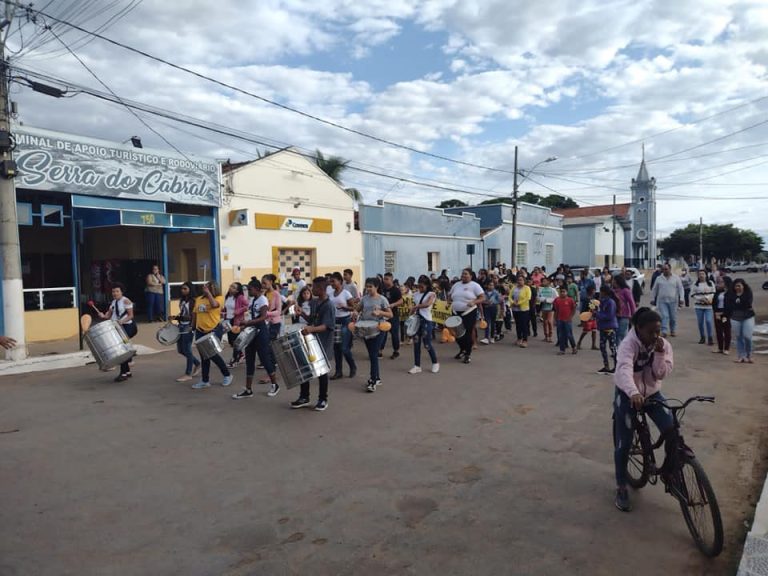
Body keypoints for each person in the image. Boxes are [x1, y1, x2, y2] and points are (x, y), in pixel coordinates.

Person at [613, 307, 676, 512]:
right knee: (624, 443)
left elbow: (660, 374)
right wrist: (632, 393)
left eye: (658, 331)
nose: (655, 335)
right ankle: (622, 486)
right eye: (651, 332)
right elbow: (623, 369)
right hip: (628, 393)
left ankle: (669, 471)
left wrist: (659, 353)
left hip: (651, 393)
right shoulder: (628, 344)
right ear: (638, 329)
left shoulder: (663, 345)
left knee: (672, 430)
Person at [291, 277, 335, 410]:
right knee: (305, 367)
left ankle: (323, 399)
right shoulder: (315, 302)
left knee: (321, 372)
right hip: (311, 341)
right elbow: (312, 319)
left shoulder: (329, 305)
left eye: (314, 288)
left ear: (321, 289)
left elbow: (327, 326)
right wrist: (302, 314)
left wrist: (311, 329)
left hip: (323, 342)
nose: (312, 290)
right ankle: (304, 397)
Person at [232, 278, 280, 399]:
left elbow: (264, 317)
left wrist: (248, 322)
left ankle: (275, 384)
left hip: (261, 332)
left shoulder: (262, 299)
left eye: (250, 289)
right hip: (253, 332)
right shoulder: (254, 300)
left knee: (265, 359)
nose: (249, 291)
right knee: (250, 360)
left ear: (257, 289)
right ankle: (248, 390)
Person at [191, 281, 233, 389]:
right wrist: (192, 327)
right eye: (205, 288)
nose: (205, 289)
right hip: (200, 330)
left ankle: (227, 374)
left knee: (212, 354)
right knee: (204, 356)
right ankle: (205, 380)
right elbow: (195, 313)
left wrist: (208, 294)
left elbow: (214, 305)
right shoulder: (199, 299)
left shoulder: (219, 298)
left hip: (213, 329)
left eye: (208, 288)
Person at [355, 277, 393, 392]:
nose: (368, 289)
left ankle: (372, 380)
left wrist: (380, 312)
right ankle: (377, 377)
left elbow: (390, 315)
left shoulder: (382, 299)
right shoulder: (364, 299)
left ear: (376, 287)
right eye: (367, 286)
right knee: (372, 354)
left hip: (378, 329)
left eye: (370, 286)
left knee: (373, 354)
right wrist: (355, 312)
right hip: (366, 329)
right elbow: (358, 309)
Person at [98, 283, 138, 382]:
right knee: (123, 348)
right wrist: (103, 316)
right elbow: (108, 316)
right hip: (118, 327)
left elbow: (131, 315)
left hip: (128, 327)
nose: (115, 293)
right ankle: (128, 371)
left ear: (121, 292)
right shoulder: (113, 302)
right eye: (113, 291)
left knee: (121, 350)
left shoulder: (126, 301)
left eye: (117, 291)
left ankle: (123, 373)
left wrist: (122, 321)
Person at [448, 268, 485, 364]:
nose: (463, 276)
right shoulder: (456, 285)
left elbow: (482, 297)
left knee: (467, 333)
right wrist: (449, 301)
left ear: (471, 276)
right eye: (462, 274)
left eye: (466, 274)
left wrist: (474, 302)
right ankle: (462, 349)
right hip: (456, 312)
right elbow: (450, 295)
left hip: (469, 312)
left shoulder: (475, 285)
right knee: (457, 334)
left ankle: (468, 354)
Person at [408, 275, 440, 374]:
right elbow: (412, 306)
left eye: (422, 286)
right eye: (419, 286)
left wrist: (416, 307)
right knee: (416, 343)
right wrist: (411, 313)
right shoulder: (416, 294)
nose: (420, 288)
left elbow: (428, 304)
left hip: (426, 320)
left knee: (427, 343)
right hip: (417, 320)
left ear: (427, 285)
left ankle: (435, 363)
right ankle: (417, 366)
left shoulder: (431, 294)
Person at [328, 272, 357, 380]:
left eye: (333, 281)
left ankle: (352, 366)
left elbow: (354, 307)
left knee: (344, 348)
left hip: (346, 321)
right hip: (335, 321)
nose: (331, 283)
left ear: (340, 281)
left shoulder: (346, 293)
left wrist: (345, 307)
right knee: (336, 348)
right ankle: (338, 371)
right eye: (330, 281)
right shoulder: (330, 294)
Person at [174, 281, 200, 382]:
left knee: (187, 349)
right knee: (181, 350)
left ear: (190, 290)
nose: (183, 290)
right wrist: (177, 317)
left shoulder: (193, 301)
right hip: (181, 326)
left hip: (188, 327)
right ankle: (197, 363)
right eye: (182, 289)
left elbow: (193, 316)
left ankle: (188, 373)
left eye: (185, 289)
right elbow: (183, 313)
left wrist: (191, 325)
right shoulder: (183, 300)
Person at [650, 264, 684, 337]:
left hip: (673, 301)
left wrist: (681, 299)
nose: (665, 271)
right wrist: (652, 299)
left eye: (666, 269)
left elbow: (681, 289)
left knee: (673, 317)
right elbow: (654, 289)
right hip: (662, 301)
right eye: (663, 269)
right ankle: (664, 331)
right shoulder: (659, 278)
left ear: (670, 269)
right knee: (664, 316)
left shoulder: (676, 278)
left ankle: (673, 330)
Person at [224, 282, 249, 367]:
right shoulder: (227, 296)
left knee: (235, 341)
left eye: (234, 287)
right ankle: (241, 355)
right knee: (231, 341)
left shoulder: (240, 297)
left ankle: (235, 360)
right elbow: (226, 308)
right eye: (231, 286)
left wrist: (238, 311)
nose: (231, 288)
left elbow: (247, 306)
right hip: (228, 321)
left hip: (236, 321)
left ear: (238, 290)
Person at [262, 274, 283, 377]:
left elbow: (279, 312)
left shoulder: (276, 294)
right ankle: (271, 371)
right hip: (266, 323)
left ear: (270, 282)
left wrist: (267, 314)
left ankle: (272, 372)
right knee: (268, 347)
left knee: (269, 347)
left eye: (264, 283)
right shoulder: (265, 294)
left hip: (274, 323)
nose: (263, 285)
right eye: (262, 283)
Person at [730, 278, 755, 364]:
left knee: (747, 336)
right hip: (735, 317)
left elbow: (748, 304)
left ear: (743, 286)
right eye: (736, 286)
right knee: (739, 337)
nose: (737, 287)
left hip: (747, 316)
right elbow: (730, 305)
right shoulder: (731, 294)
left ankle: (749, 355)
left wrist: (738, 302)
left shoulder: (748, 293)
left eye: (739, 286)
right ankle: (741, 356)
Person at [596, 285, 620, 375]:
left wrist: (597, 314)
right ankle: (606, 366)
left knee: (613, 348)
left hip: (610, 327)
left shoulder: (611, 302)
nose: (600, 294)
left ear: (604, 292)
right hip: (603, 327)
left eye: (601, 292)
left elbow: (609, 316)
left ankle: (616, 367)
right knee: (602, 347)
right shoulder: (602, 302)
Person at [379, 273, 403, 360]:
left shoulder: (396, 290)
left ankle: (396, 351)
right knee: (382, 333)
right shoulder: (382, 289)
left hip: (393, 316)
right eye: (384, 279)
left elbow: (401, 301)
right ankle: (380, 351)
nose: (385, 281)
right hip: (383, 315)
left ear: (391, 279)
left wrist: (393, 304)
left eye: (387, 279)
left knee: (394, 334)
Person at [690, 270, 716, 346]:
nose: (701, 275)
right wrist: (700, 299)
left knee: (708, 321)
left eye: (703, 274)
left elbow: (714, 293)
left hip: (708, 306)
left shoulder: (710, 283)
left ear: (706, 275)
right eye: (700, 274)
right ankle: (702, 337)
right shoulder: (695, 284)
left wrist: (708, 298)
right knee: (700, 322)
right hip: (698, 306)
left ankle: (710, 337)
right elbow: (692, 294)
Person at [612, 275, 636, 344]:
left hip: (624, 315)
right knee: (615, 334)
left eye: (614, 281)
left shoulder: (625, 291)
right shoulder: (613, 291)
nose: (613, 283)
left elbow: (631, 303)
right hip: (615, 315)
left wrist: (633, 315)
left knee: (621, 334)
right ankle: (617, 351)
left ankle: (624, 350)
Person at [712, 276, 733, 355]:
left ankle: (726, 348)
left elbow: (730, 305)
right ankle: (720, 348)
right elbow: (714, 302)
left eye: (721, 282)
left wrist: (724, 313)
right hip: (717, 312)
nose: (719, 284)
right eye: (719, 282)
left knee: (726, 330)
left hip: (725, 314)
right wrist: (715, 312)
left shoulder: (730, 293)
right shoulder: (718, 292)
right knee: (718, 330)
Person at [553, 286, 577, 355]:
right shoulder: (557, 300)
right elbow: (556, 310)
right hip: (560, 319)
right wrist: (555, 319)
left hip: (567, 320)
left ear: (566, 292)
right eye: (561, 292)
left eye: (564, 292)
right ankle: (562, 349)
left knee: (569, 334)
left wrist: (571, 317)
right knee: (561, 335)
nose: (562, 293)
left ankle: (574, 347)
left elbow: (574, 309)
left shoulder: (570, 300)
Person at [510, 275, 532, 347]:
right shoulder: (514, 287)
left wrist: (519, 303)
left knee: (524, 325)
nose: (520, 281)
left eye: (521, 280)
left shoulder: (527, 288)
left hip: (524, 309)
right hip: (515, 309)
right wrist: (513, 302)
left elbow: (528, 298)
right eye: (518, 280)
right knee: (518, 325)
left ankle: (525, 340)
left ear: (524, 281)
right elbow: (510, 296)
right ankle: (519, 338)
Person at [577, 285, 598, 351]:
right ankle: (579, 343)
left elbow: (595, 308)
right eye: (593, 290)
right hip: (588, 317)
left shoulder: (593, 298)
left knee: (594, 331)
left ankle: (593, 345)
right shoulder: (586, 299)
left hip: (593, 317)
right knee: (585, 331)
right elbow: (584, 309)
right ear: (590, 291)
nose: (594, 291)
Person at [480, 279, 500, 345]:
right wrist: (485, 302)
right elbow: (481, 300)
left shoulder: (496, 293)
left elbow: (499, 300)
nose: (490, 286)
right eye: (489, 285)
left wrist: (493, 302)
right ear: (487, 285)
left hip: (493, 308)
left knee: (493, 323)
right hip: (486, 308)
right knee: (487, 323)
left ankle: (492, 337)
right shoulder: (484, 293)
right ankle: (486, 337)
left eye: (492, 285)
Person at [538, 276, 557, 343]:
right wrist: (543, 300)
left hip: (550, 308)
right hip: (543, 308)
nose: (543, 282)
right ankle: (546, 336)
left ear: (549, 282)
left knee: (549, 321)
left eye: (545, 281)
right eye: (543, 281)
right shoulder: (541, 289)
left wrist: (549, 300)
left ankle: (550, 336)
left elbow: (556, 298)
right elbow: (539, 297)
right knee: (545, 322)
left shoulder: (553, 290)